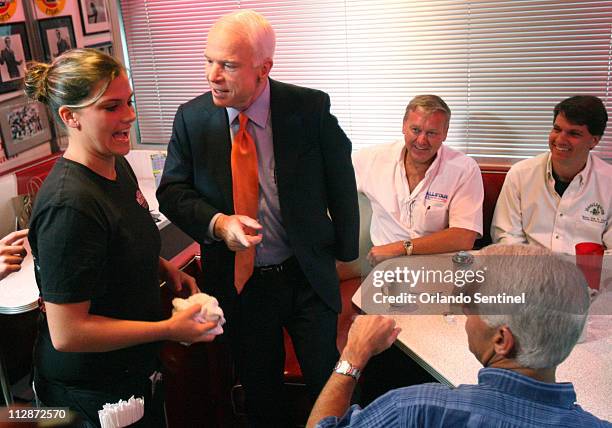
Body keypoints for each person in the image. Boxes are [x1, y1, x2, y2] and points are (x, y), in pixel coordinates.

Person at [156, 9, 359, 426]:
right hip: (242, 285)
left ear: (264, 68)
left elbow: (342, 178)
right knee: (261, 394)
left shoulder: (309, 108)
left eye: (228, 65)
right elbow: (172, 193)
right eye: (208, 61)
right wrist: (219, 224)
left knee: (329, 385)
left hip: (305, 275)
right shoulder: (191, 119)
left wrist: (343, 252)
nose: (213, 75)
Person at [24, 49, 219, 427]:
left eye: (128, 102)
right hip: (88, 392)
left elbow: (120, 241)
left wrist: (163, 267)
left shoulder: (117, 166)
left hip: (131, 370)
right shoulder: (70, 205)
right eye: (111, 107)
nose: (129, 115)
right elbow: (67, 332)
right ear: (70, 116)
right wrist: (169, 329)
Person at [307, 244, 610, 428]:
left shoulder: (415, 410)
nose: (466, 314)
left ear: (502, 340)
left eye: (472, 307)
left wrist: (352, 355)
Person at [352, 95, 483, 266]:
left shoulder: (465, 168)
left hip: (437, 266)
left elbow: (464, 237)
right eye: (415, 130)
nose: (421, 140)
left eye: (431, 133)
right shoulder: (370, 159)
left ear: (445, 133)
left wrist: (401, 248)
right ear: (403, 126)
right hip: (384, 266)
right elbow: (327, 182)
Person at [491, 95, 611, 254]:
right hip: (529, 270)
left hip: (588, 274)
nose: (560, 139)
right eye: (557, 129)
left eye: (574, 133)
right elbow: (507, 236)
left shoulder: (608, 182)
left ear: (594, 141)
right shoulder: (520, 174)